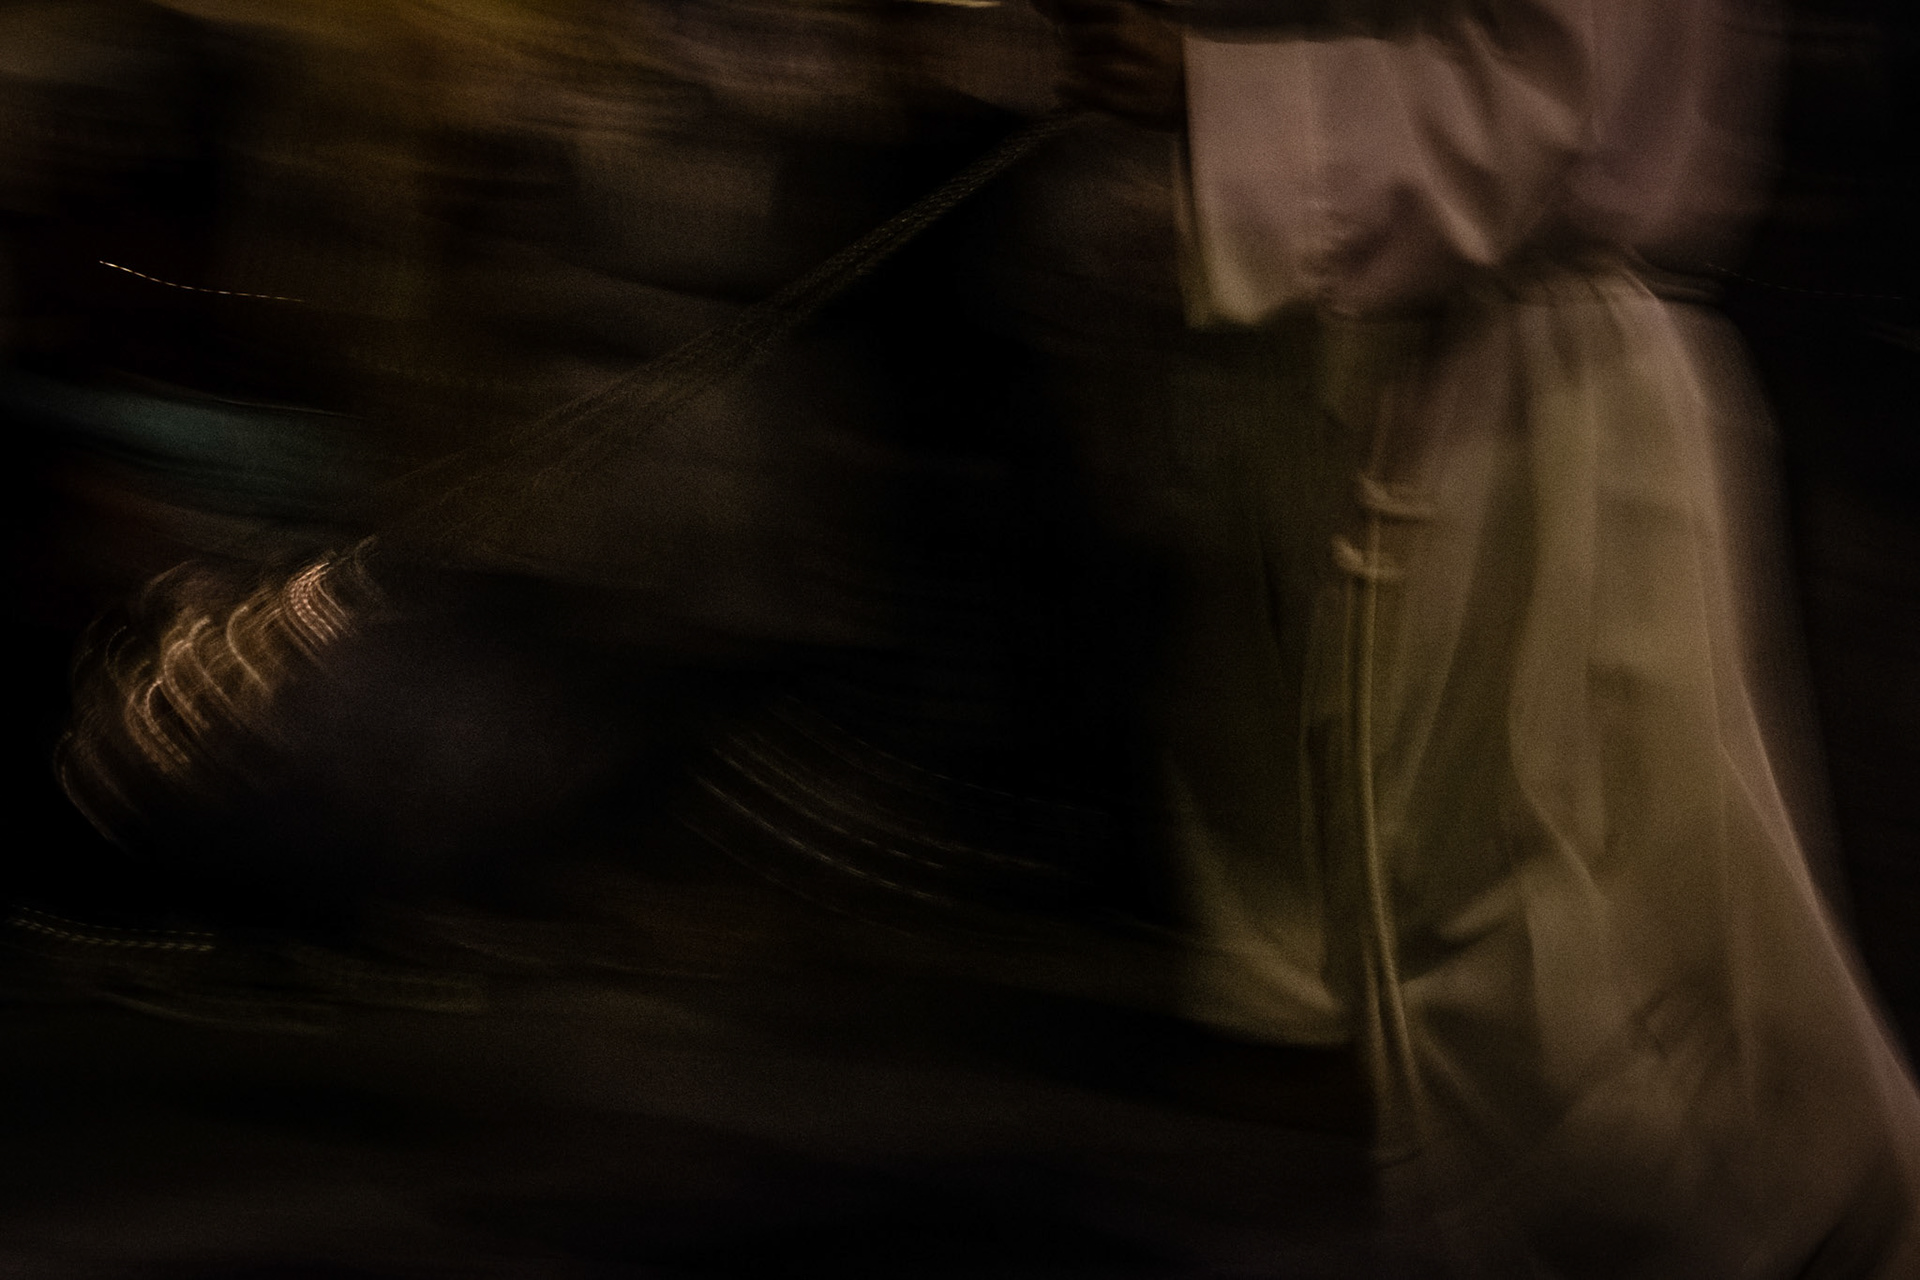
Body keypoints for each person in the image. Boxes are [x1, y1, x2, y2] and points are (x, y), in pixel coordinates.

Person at [1050, 0, 1920, 1272]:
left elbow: (1543, 105)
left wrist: (1216, 89)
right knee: (1558, 944)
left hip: (1561, 409)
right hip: (1494, 381)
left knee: (1588, 955)